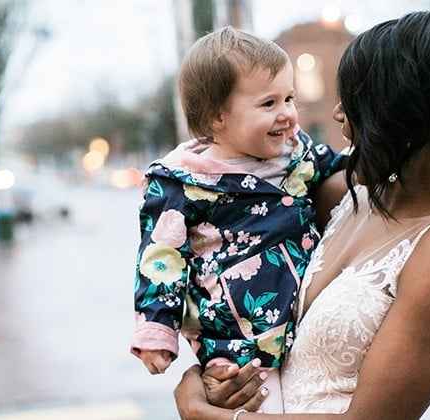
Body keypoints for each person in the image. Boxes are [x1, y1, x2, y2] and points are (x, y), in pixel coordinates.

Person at [171, 10, 430, 419]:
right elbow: (222, 265)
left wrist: (211, 417)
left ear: (401, 116)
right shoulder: (340, 194)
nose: (338, 115)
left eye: (356, 103)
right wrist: (200, 377)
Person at [130, 26, 347, 414]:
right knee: (253, 406)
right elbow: (161, 258)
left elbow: (338, 166)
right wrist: (157, 331)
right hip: (235, 341)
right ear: (218, 119)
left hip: (306, 321)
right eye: (268, 104)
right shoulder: (183, 182)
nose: (287, 114)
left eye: (289, 98)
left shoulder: (296, 154)